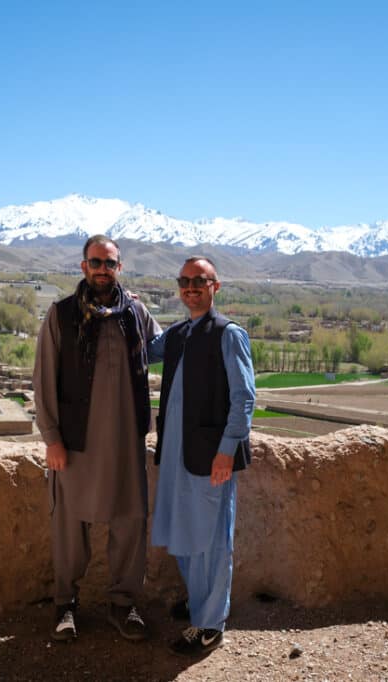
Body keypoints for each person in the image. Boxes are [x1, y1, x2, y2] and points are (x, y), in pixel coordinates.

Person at [32, 235, 161, 643]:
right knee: (70, 525)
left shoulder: (136, 313)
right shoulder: (61, 314)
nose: (102, 269)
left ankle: (124, 604)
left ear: (119, 268)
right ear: (83, 266)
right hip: (75, 442)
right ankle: (65, 603)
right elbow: (43, 379)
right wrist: (52, 438)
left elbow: (162, 348)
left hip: (126, 441)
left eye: (109, 263)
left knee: (130, 522)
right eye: (95, 262)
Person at [148, 256, 256, 657]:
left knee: (211, 540)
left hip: (212, 457)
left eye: (200, 281)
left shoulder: (229, 334)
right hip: (177, 454)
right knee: (183, 531)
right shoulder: (178, 335)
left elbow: (244, 399)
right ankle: (199, 600)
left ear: (215, 287)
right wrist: (132, 305)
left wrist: (227, 451)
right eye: (185, 281)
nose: (191, 288)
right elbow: (144, 349)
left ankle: (210, 625)